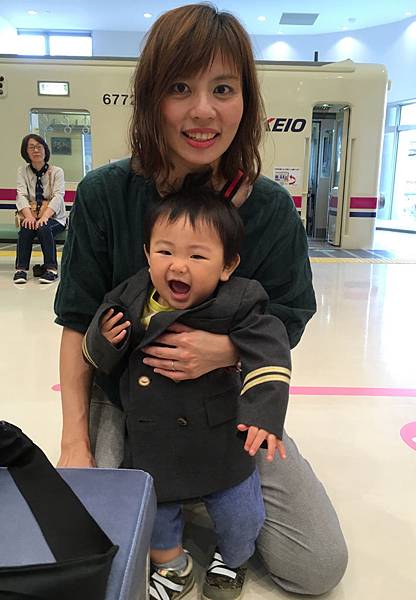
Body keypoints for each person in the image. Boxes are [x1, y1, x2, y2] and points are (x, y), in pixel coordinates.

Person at [55, 3, 348, 597]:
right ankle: (175, 492)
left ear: (247, 101)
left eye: (223, 89)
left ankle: (199, 490)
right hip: (128, 403)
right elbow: (78, 322)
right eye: (180, 88)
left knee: (317, 566)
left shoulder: (270, 210)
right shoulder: (106, 194)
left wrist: (224, 353)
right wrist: (74, 441)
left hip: (227, 408)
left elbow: (287, 319)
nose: (203, 111)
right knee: (93, 558)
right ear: (151, 97)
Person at [82, 176, 291, 599]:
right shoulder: (130, 296)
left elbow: (270, 349)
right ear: (147, 253)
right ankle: (173, 566)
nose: (178, 266)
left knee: (241, 511)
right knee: (155, 514)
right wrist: (105, 338)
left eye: (197, 255)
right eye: (165, 252)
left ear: (227, 265)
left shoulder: (239, 301)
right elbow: (96, 352)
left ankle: (232, 558)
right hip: (151, 437)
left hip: (219, 439)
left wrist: (264, 414)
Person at [14, 134, 67, 284]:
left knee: (44, 227)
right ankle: (21, 269)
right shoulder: (22, 171)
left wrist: (44, 217)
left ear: (45, 150)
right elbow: (21, 195)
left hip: (55, 218)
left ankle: (51, 269)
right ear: (26, 151)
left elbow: (58, 196)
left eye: (39, 147)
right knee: (26, 228)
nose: (36, 150)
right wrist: (29, 217)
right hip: (32, 215)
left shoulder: (57, 171)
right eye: (31, 147)